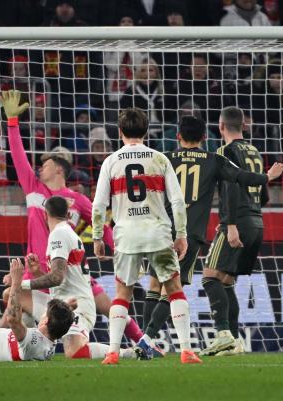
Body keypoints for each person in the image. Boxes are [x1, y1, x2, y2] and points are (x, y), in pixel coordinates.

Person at [0, 90, 146, 346]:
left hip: (70, 273)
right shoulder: (34, 189)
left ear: (58, 168)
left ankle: (144, 342)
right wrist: (12, 122)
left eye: (45, 164)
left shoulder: (77, 200)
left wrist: (121, 252)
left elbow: (102, 226)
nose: (39, 167)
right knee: (10, 307)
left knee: (108, 306)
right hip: (38, 272)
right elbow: (18, 155)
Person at [141, 116, 283, 343]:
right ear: (205, 138)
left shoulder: (163, 159)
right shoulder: (213, 160)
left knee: (155, 284)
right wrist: (267, 176)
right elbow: (241, 178)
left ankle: (145, 341)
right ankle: (147, 342)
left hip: (159, 230)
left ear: (178, 137)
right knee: (172, 289)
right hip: (189, 235)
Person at [92, 108, 202, 365]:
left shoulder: (111, 161)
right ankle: (186, 350)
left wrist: (98, 237)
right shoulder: (160, 159)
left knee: (122, 293)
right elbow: (177, 201)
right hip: (157, 233)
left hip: (127, 235)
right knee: (174, 289)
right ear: (145, 131)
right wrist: (182, 234)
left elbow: (98, 205)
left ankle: (112, 353)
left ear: (120, 132)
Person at [0, 196, 138, 360]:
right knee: (12, 295)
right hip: (58, 304)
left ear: (45, 214)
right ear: (67, 214)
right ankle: (30, 345)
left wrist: (20, 282)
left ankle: (128, 352)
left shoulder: (59, 234)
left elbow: (57, 278)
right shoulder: (65, 232)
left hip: (77, 305)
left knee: (75, 352)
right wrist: (36, 273)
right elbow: (61, 281)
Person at [199, 107, 271, 357]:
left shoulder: (224, 151)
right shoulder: (255, 151)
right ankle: (235, 340)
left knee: (209, 277)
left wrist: (229, 224)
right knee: (226, 282)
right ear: (244, 125)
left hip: (237, 223)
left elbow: (229, 188)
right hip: (256, 221)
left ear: (221, 127)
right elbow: (264, 194)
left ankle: (223, 335)